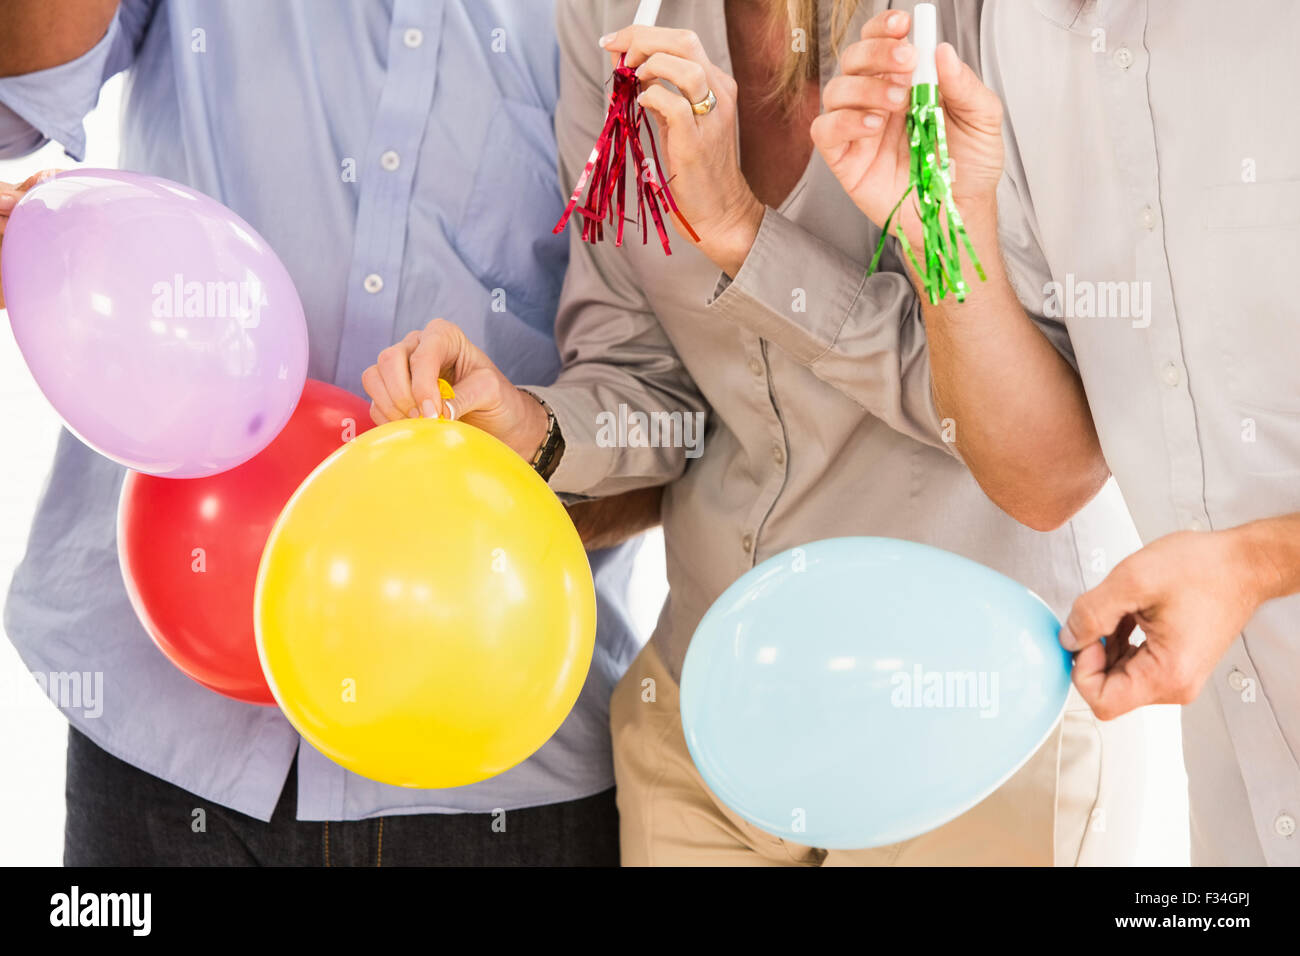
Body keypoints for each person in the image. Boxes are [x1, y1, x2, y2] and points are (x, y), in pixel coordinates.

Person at [365, 0, 1146, 866]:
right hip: (708, 727)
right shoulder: (610, 15)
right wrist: (535, 429)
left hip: (962, 726)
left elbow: (1044, 467)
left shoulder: (990, 24)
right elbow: (647, 377)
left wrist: (747, 236)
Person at [0, 0, 661, 866]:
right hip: (161, 727)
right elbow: (27, 96)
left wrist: (515, 468)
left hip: (486, 760)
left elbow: (672, 413)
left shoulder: (625, 22)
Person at [815, 0, 1300, 865]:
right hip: (1239, 827)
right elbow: (1042, 480)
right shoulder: (1018, 33)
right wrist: (940, 243)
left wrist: (1256, 562)